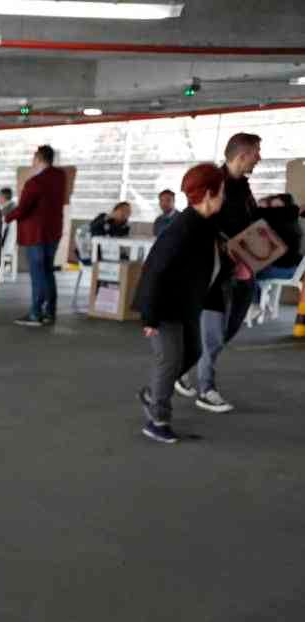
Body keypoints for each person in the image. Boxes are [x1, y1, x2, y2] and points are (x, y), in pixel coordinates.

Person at [132, 163, 228, 445]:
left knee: (194, 352)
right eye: (222, 191)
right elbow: (154, 271)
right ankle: (157, 420)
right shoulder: (181, 229)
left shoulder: (207, 225)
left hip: (186, 304)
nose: (224, 197)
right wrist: (150, 317)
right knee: (169, 360)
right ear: (210, 193)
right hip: (164, 307)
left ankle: (152, 394)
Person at [176, 132, 262, 413]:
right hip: (216, 276)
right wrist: (223, 247)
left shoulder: (244, 188)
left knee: (225, 332)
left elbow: (249, 222)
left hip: (245, 272)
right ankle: (206, 389)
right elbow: (199, 222)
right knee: (213, 334)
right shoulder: (214, 184)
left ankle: (183, 368)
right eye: (256, 152)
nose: (259, 158)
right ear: (242, 154)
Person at [4, 144, 67, 327]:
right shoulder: (60, 177)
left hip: (36, 235)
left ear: (38, 159)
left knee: (38, 274)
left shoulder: (34, 183)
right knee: (48, 272)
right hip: (53, 232)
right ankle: (50, 312)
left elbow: (23, 209)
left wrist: (5, 218)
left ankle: (35, 313)